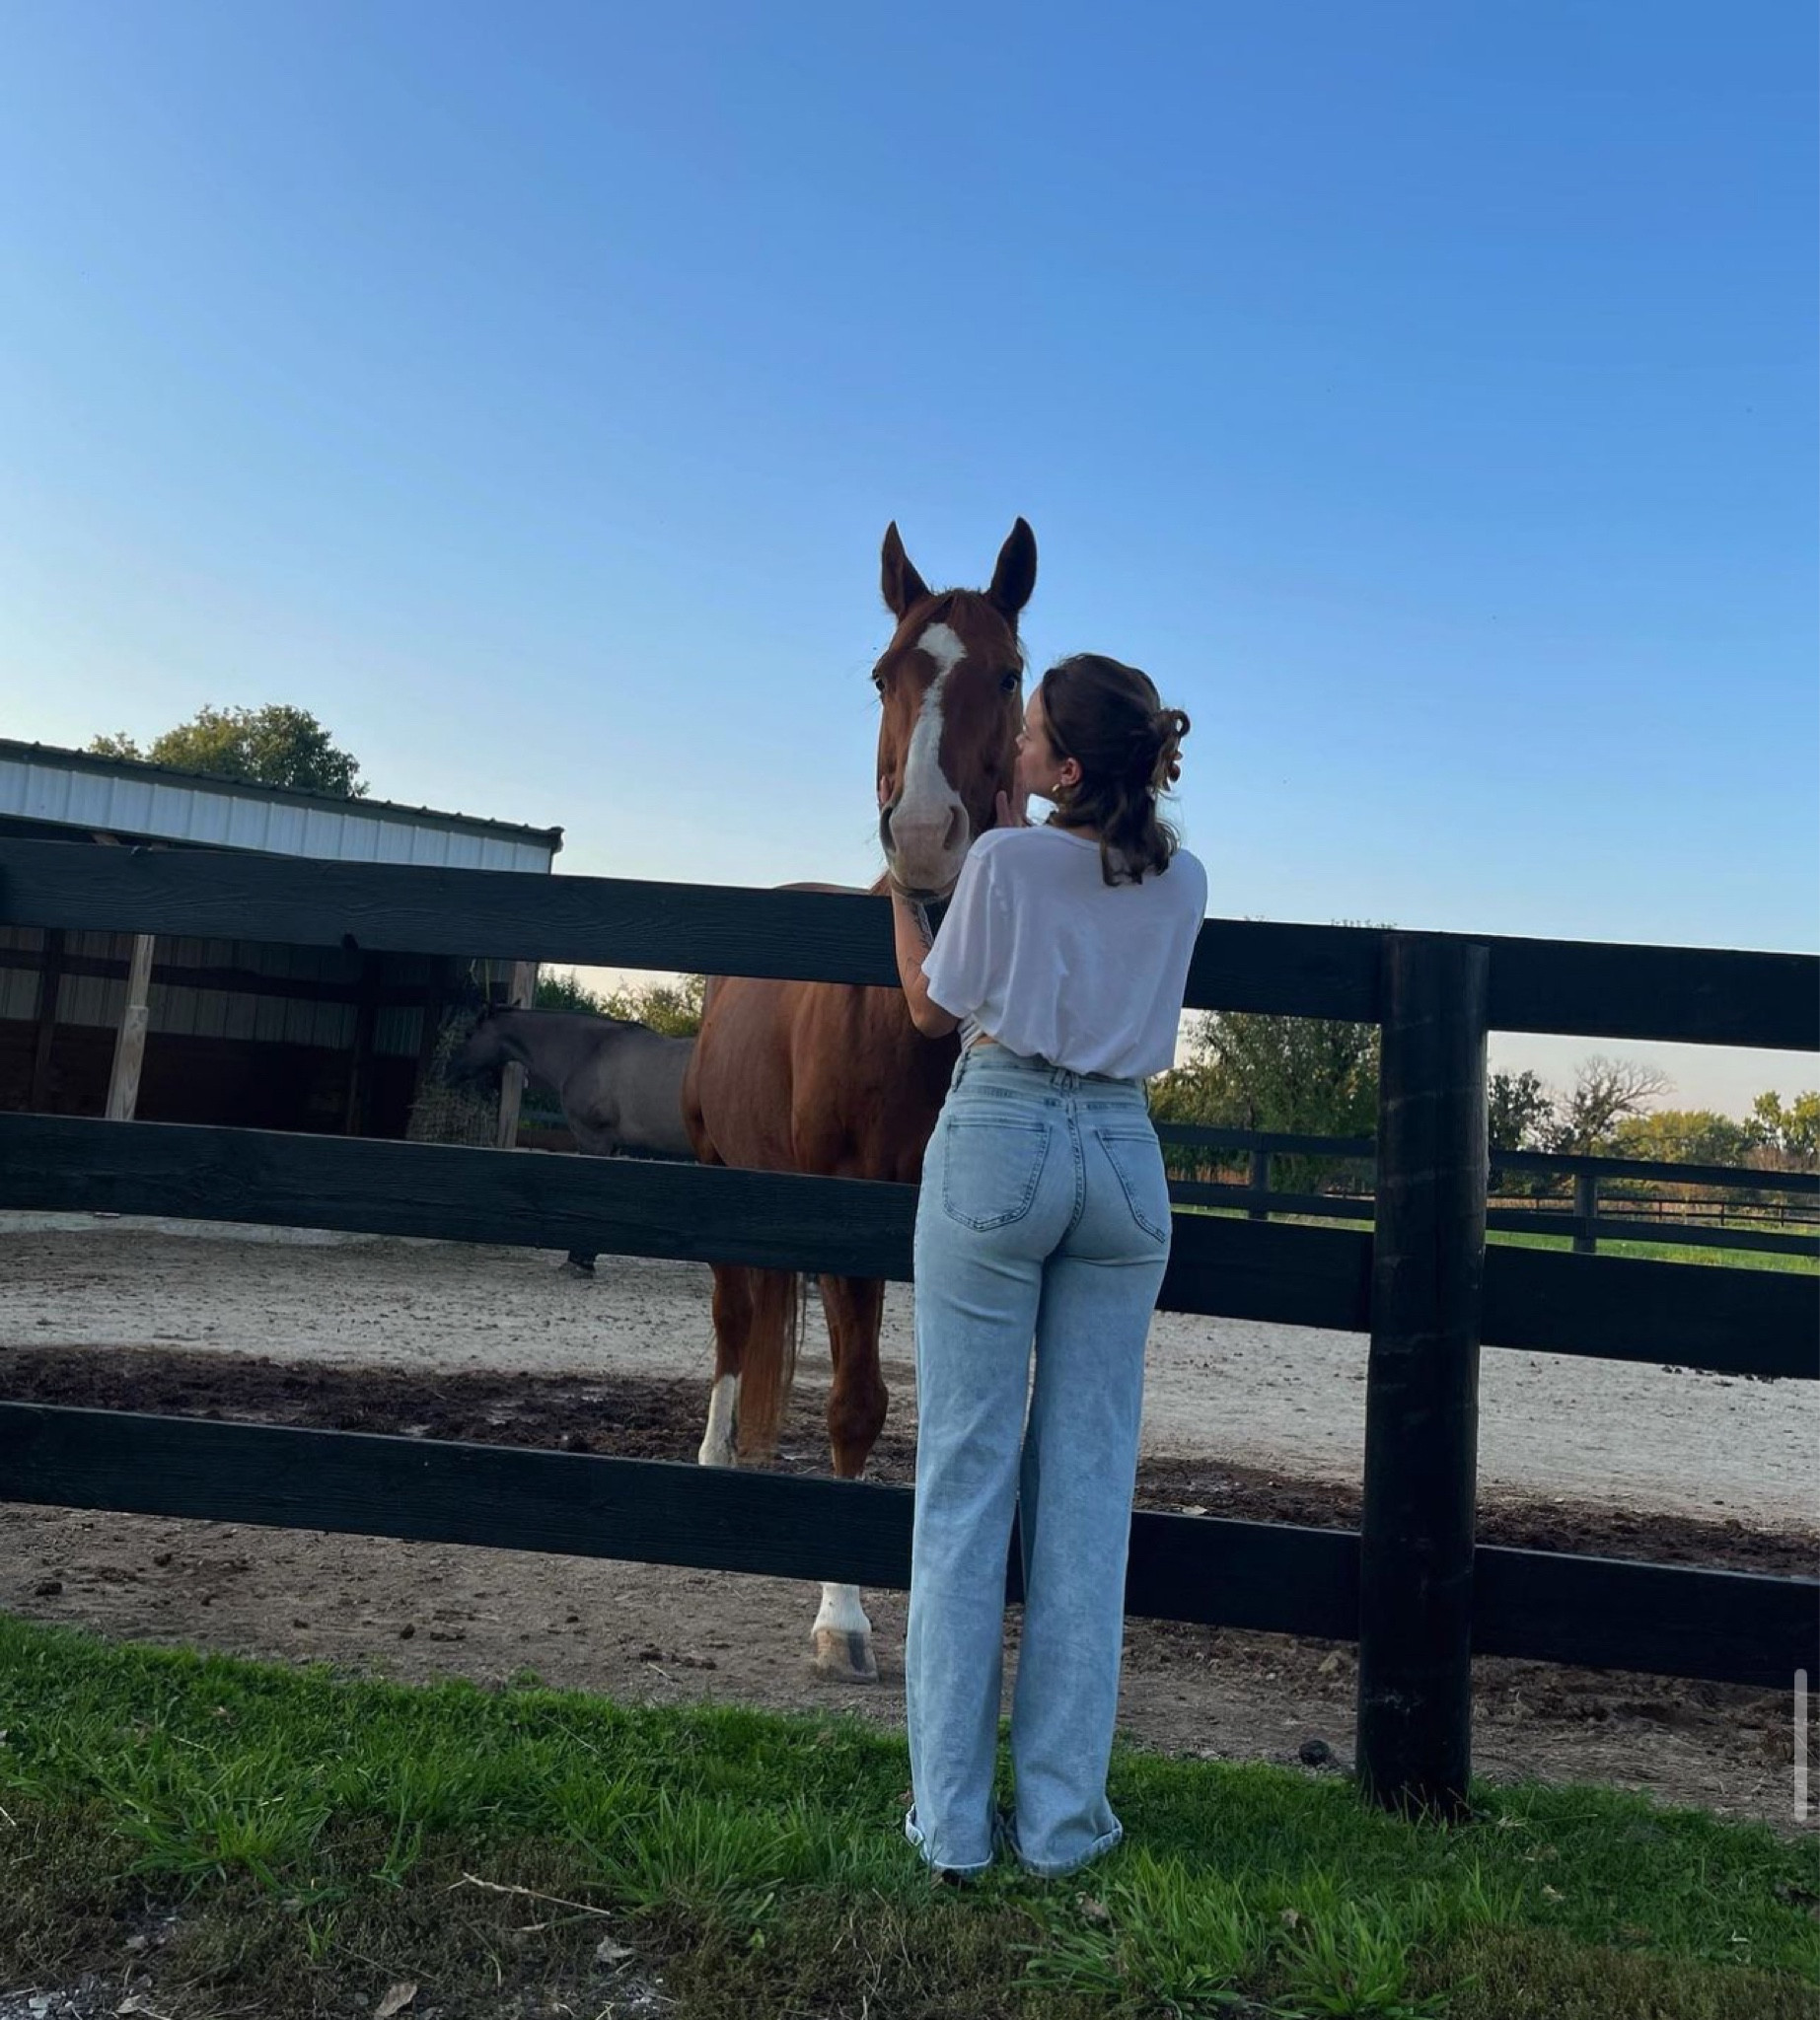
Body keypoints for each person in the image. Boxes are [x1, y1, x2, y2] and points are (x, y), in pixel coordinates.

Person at [889, 652, 1207, 1881]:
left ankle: (956, 1826)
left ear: (1066, 767)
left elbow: (933, 1007)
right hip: (1125, 1158)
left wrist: (897, 901)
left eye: (1027, 736)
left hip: (1004, 1134)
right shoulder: (1183, 882)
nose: (1012, 748)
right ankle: (1067, 1826)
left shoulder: (1008, 863)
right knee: (1086, 1496)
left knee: (965, 1483)